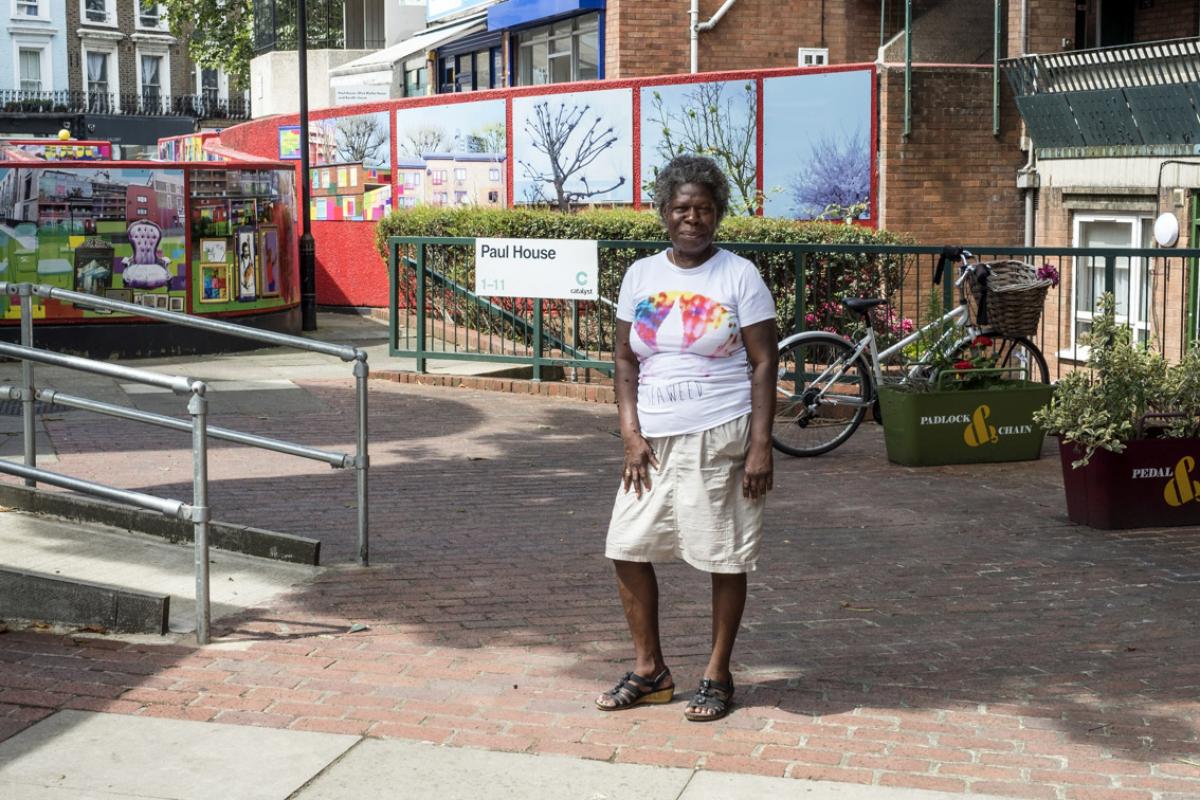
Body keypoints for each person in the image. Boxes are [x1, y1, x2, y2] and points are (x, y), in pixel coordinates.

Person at [595, 154, 778, 722]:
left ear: (718, 214)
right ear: (664, 214)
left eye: (702, 209)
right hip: (651, 440)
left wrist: (760, 445)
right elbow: (625, 358)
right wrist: (630, 434)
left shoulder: (738, 275)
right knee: (626, 546)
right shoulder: (641, 275)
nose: (691, 219)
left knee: (723, 554)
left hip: (719, 432)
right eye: (681, 208)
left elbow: (765, 362)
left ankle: (717, 674)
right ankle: (651, 671)